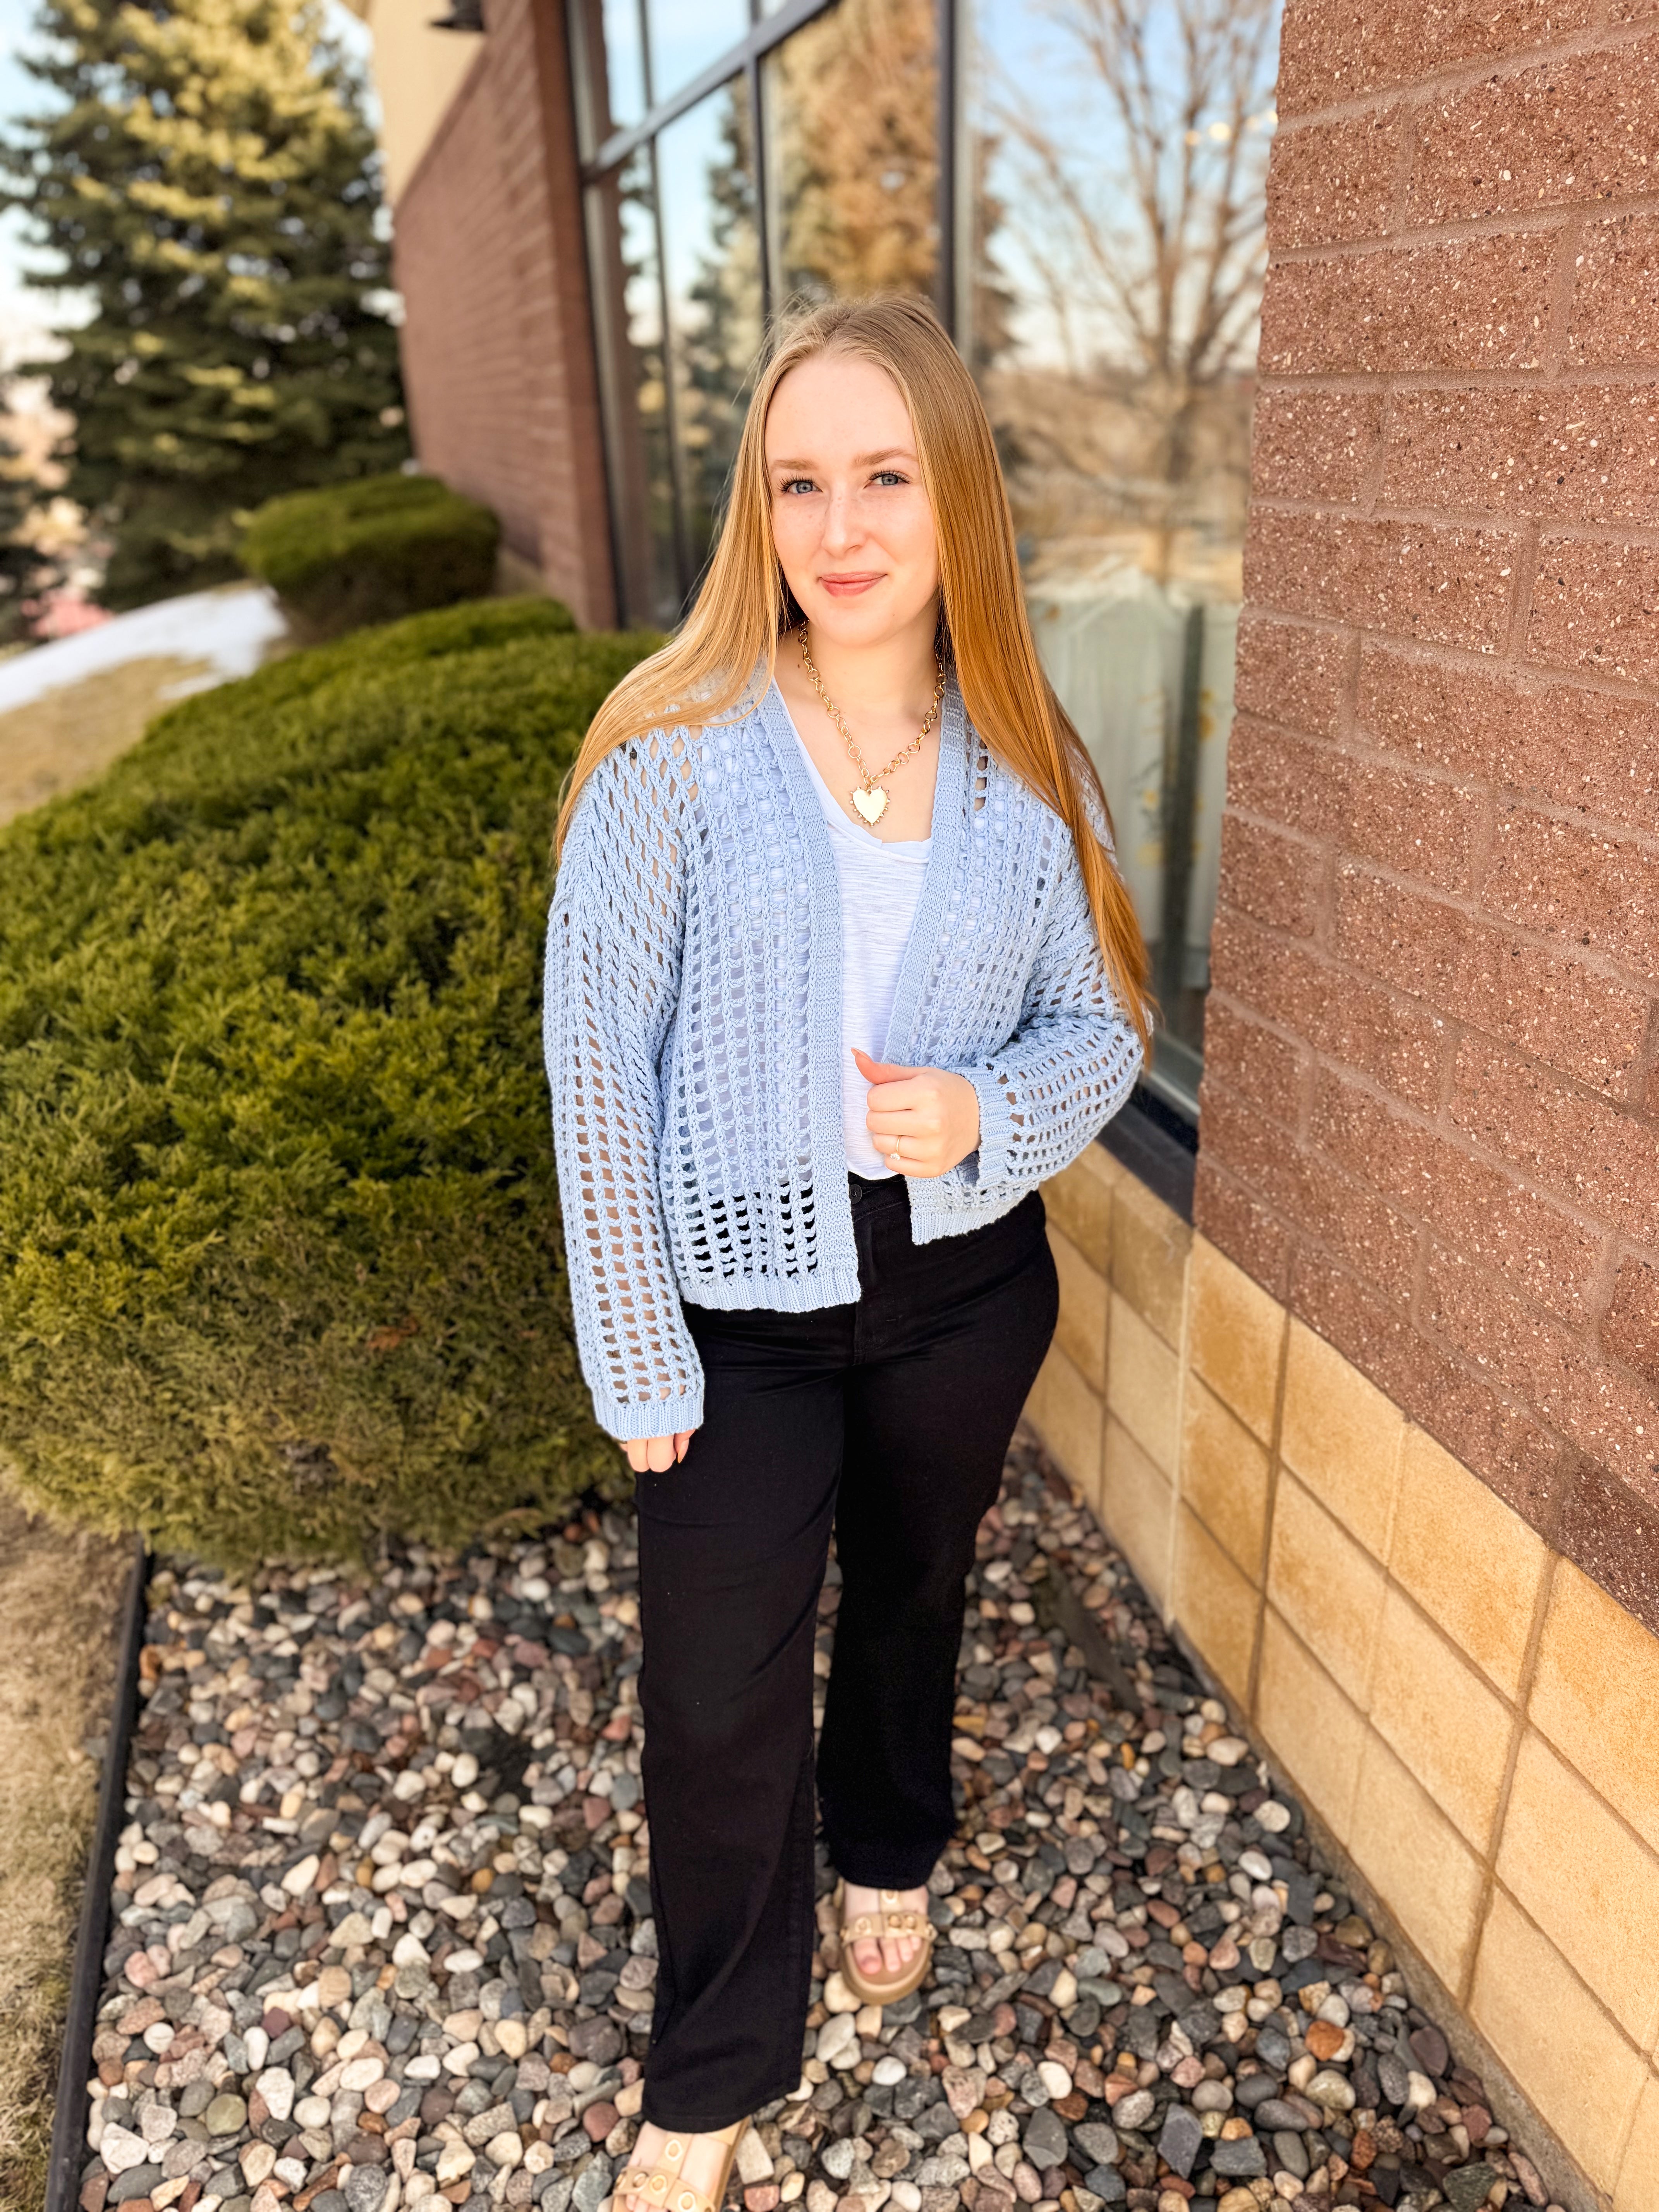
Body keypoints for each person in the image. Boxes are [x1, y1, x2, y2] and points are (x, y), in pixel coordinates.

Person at [543, 292, 1151, 2212]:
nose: (841, 525)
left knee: (911, 1587)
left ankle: (887, 1838)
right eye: (798, 482)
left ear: (955, 492)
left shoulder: (1029, 763)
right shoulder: (674, 746)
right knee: (714, 1684)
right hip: (736, 1301)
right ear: (760, 508)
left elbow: (1105, 1029)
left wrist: (987, 1111)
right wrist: (635, 1338)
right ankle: (712, 2075)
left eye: (885, 474)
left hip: (960, 1281)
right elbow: (595, 1060)